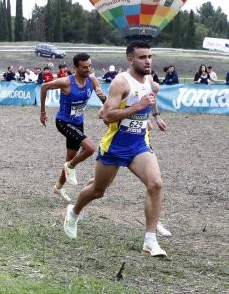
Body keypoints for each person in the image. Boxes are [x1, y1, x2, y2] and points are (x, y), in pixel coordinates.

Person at [63, 40, 171, 257]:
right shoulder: (121, 82)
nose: (148, 61)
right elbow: (106, 116)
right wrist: (137, 107)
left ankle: (150, 241)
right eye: (143, 57)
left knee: (156, 183)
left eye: (150, 56)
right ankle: (73, 212)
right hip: (115, 145)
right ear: (130, 59)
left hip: (139, 144)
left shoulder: (150, 80)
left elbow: (151, 96)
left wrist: (156, 115)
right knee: (98, 190)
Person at [40, 52, 107, 202]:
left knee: (70, 157)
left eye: (89, 66)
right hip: (64, 121)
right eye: (84, 67)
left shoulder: (92, 79)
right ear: (75, 68)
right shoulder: (66, 82)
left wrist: (103, 98)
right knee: (90, 148)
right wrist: (43, 112)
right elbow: (44, 87)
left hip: (78, 122)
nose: (88, 69)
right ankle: (70, 167)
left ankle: (58, 188)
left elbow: (104, 101)